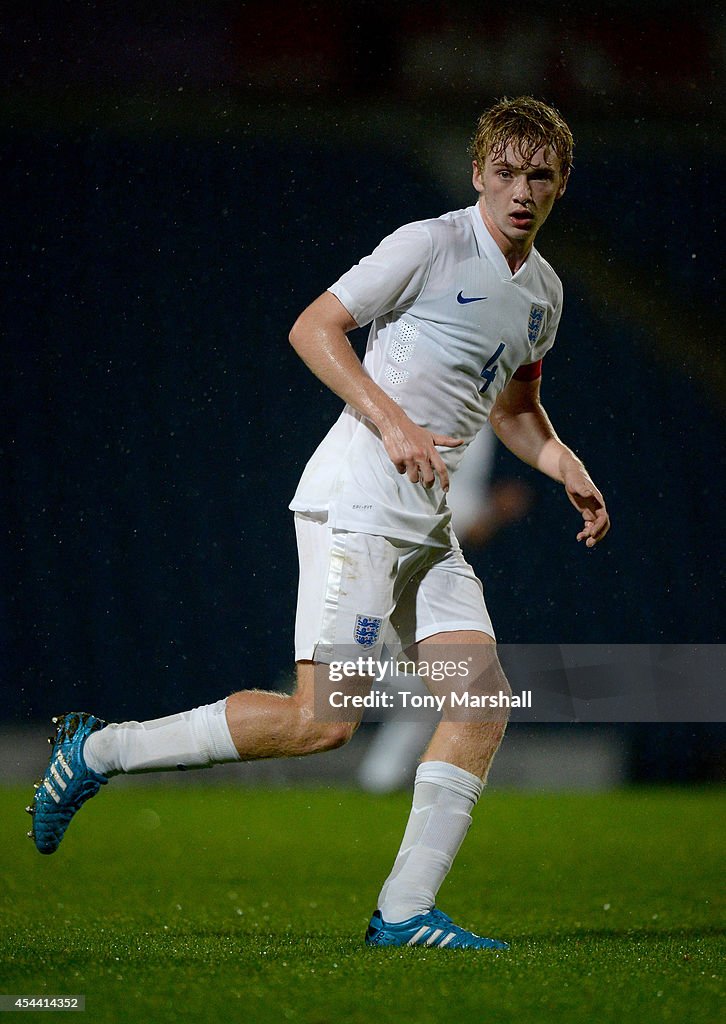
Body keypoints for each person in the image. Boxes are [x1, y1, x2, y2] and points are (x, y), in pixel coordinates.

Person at [28, 96, 610, 951]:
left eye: (542, 176)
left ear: (561, 186)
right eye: (508, 172)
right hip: (360, 501)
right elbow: (315, 327)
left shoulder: (545, 294)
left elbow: (518, 408)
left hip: (427, 522)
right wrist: (394, 421)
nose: (522, 190)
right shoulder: (430, 243)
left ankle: (405, 912)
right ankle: (98, 753)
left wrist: (566, 465)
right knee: (323, 722)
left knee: (482, 703)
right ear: (478, 173)